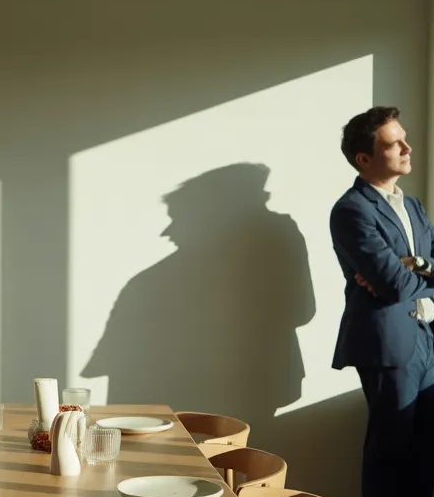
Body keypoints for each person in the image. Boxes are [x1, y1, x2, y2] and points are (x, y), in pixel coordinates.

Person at [328, 106, 434, 497]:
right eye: (394, 143)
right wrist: (417, 278)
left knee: (424, 451)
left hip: (425, 341)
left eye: (404, 139)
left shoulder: (413, 206)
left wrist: (421, 266)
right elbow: (388, 284)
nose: (407, 149)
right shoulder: (351, 210)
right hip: (386, 345)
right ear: (365, 158)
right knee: (390, 453)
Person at [83, 163, 313, 421]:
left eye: (178, 218)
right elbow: (302, 310)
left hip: (239, 383)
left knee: (229, 453)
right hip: (250, 381)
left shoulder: (162, 278)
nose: (167, 231)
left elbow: (299, 309)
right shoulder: (157, 279)